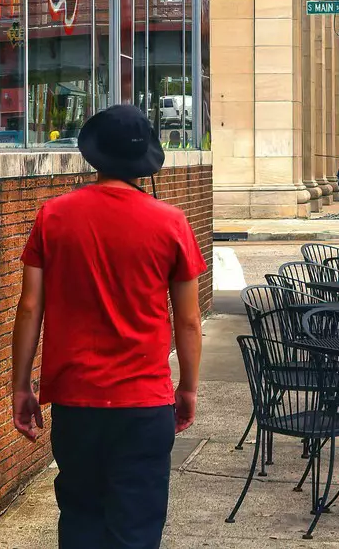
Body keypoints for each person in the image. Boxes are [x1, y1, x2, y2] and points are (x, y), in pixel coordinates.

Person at [11, 103, 205, 549]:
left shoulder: (53, 216)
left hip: (78, 403)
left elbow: (29, 308)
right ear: (145, 162)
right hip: (144, 403)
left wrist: (22, 386)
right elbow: (189, 322)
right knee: (135, 531)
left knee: (80, 523)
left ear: (94, 155)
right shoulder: (171, 222)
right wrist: (188, 387)